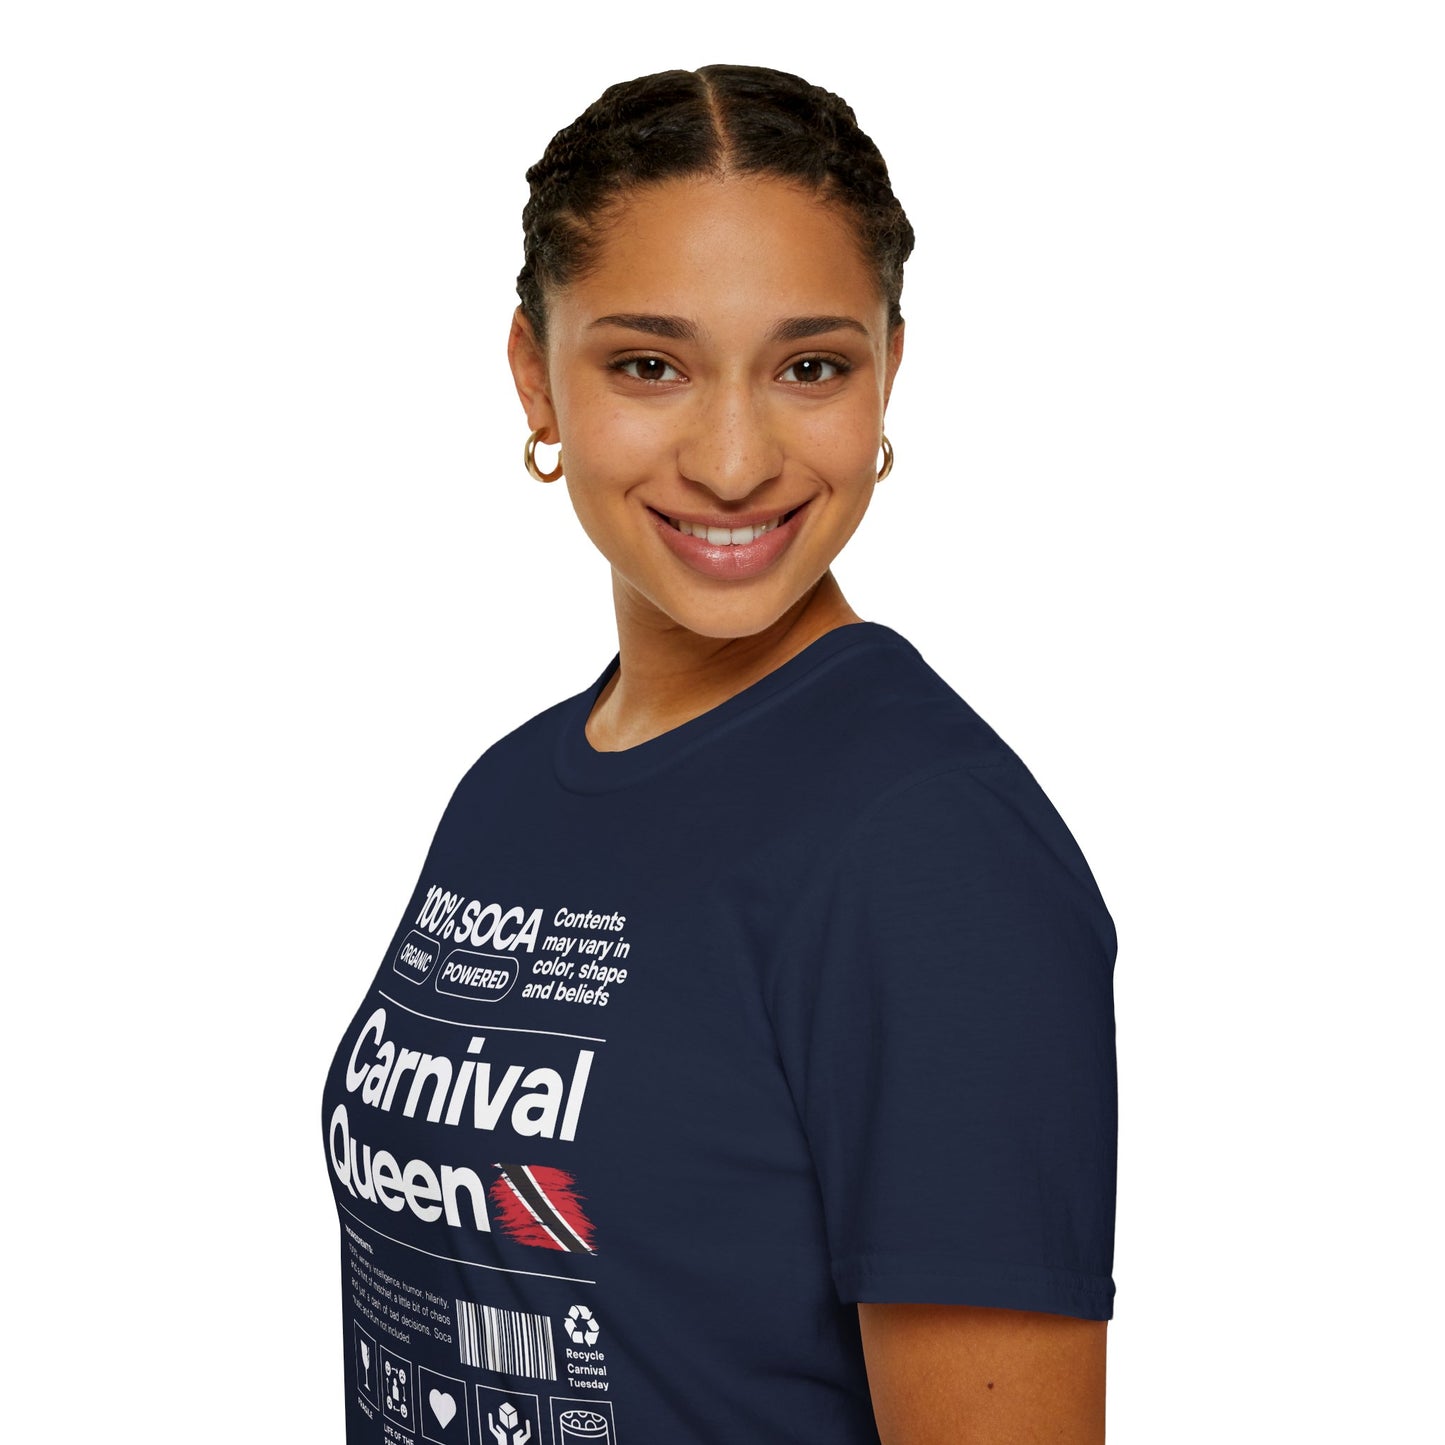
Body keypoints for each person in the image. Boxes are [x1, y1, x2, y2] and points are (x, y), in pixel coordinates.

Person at [321, 63, 1118, 1445]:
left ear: (888, 372)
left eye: (811, 367)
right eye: (649, 365)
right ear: (535, 374)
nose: (735, 460)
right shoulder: (508, 792)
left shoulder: (931, 851)